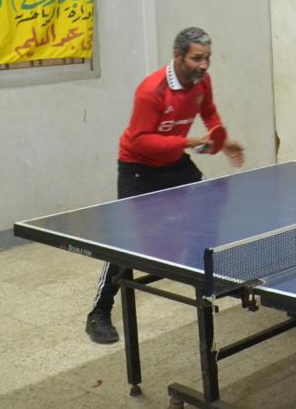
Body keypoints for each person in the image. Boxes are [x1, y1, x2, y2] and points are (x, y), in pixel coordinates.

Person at [85, 27, 245, 344]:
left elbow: (209, 112)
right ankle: (99, 312)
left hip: (173, 162)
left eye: (207, 58)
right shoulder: (152, 91)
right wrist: (189, 141)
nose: (203, 65)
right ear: (178, 56)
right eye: (197, 58)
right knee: (124, 243)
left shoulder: (202, 82)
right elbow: (141, 141)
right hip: (138, 167)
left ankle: (209, 278)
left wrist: (220, 140)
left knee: (209, 207)